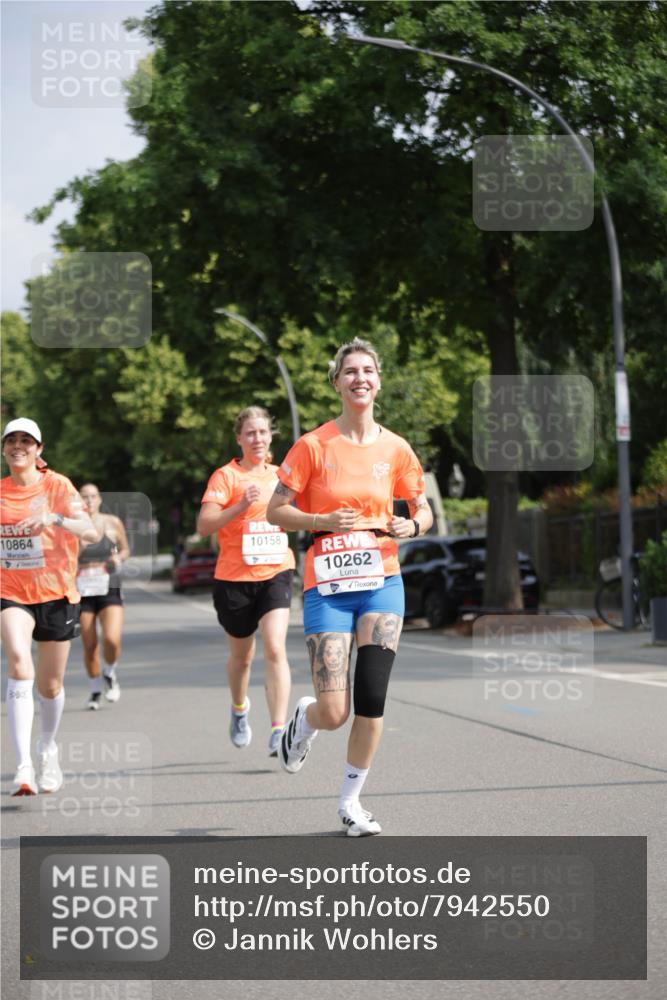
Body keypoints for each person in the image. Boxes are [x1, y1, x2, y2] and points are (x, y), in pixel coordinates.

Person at [267, 338, 433, 836]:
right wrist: (320, 519)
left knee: (373, 696)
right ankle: (305, 718)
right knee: (335, 711)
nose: (360, 378)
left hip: (382, 580)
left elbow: (423, 508)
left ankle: (351, 802)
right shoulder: (313, 446)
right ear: (337, 383)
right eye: (350, 372)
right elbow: (275, 510)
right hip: (328, 586)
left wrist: (413, 526)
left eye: (368, 370)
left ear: (378, 381)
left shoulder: (396, 448)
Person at [1, 418, 98, 795]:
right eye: (11, 440)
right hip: (11, 591)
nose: (18, 446)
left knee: (51, 685)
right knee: (18, 661)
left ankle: (47, 747)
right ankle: (23, 764)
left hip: (56, 593)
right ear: (4, 449)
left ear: (38, 449)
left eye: (26, 440)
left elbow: (90, 532)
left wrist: (54, 519)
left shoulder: (57, 486)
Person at [197, 406, 295, 756]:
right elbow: (204, 526)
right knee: (242, 658)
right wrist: (240, 505)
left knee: (275, 648)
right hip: (234, 578)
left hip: (276, 570)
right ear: (239, 438)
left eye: (263, 432)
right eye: (250, 433)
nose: (257, 438)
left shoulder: (283, 475)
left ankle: (279, 729)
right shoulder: (225, 476)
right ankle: (239, 709)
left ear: (271, 436)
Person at [77, 484, 130, 709]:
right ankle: (95, 690)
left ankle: (109, 672)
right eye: (84, 497)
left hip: (109, 586)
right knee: (90, 645)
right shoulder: (73, 525)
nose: (89, 501)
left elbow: (125, 549)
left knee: (111, 639)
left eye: (92, 496)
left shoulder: (112, 522)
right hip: (82, 589)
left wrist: (119, 558)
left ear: (99, 499)